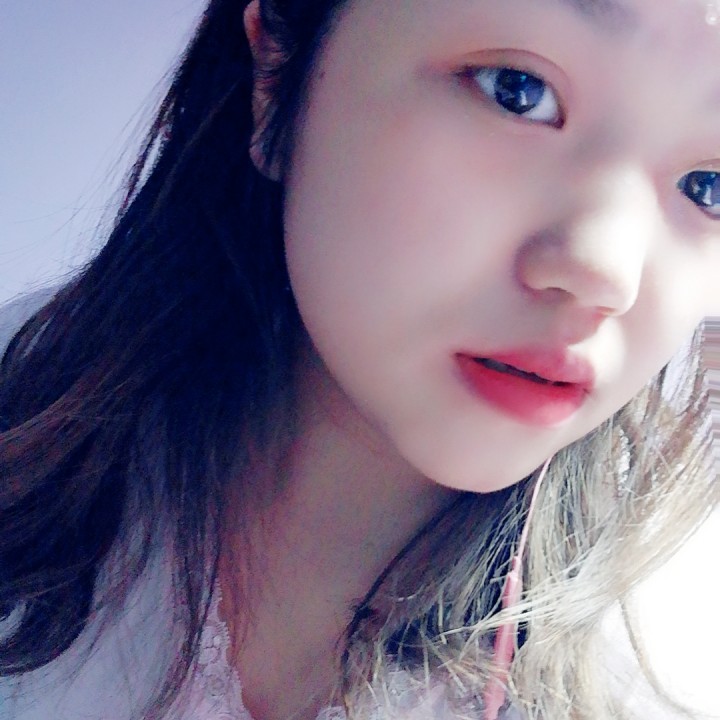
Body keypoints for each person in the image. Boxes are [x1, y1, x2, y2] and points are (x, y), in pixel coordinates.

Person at [1, 0, 720, 718]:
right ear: (275, 71)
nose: (605, 273)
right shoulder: (22, 414)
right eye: (517, 90)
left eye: (709, 187)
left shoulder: (661, 682)